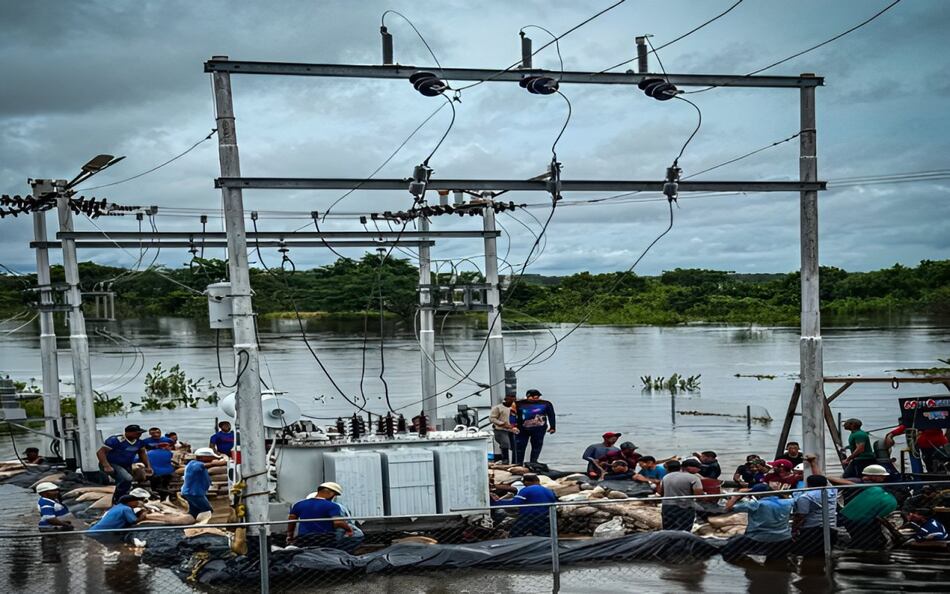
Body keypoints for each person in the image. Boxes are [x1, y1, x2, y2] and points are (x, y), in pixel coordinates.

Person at [722, 483, 794, 564]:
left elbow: (727, 508)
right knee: (776, 559)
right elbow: (789, 499)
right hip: (784, 537)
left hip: (758, 538)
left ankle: (747, 563)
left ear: (758, 495)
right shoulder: (787, 502)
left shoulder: (756, 504)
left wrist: (737, 496)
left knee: (728, 549)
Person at [839, 464, 898, 548]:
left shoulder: (874, 487)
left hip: (852, 514)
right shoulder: (859, 482)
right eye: (881, 476)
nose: (883, 478)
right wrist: (852, 484)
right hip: (856, 517)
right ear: (872, 476)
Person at [97, 424, 152, 504]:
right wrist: (106, 466)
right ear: (128, 433)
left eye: (140, 433)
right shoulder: (116, 440)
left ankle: (123, 498)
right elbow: (100, 452)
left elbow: (142, 453)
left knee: (127, 483)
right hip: (112, 463)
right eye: (137, 433)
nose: (139, 435)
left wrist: (148, 466)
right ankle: (117, 500)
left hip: (126, 465)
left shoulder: (139, 442)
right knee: (126, 478)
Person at [287, 482, 353, 547]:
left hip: (304, 538)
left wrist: (290, 535)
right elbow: (338, 522)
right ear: (331, 493)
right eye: (334, 495)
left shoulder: (299, 504)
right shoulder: (332, 506)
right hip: (324, 538)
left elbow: (291, 521)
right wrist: (348, 529)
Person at [792, 474, 837, 555]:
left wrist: (794, 530)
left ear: (808, 484)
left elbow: (801, 516)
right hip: (831, 527)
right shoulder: (832, 491)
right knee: (826, 553)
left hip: (813, 530)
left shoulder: (806, 497)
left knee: (809, 555)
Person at [657, 460, 704, 531]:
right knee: (684, 529)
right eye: (697, 467)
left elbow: (661, 492)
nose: (699, 469)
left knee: (668, 528)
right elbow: (699, 495)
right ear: (688, 468)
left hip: (667, 506)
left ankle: (669, 541)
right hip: (685, 507)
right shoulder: (694, 478)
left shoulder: (666, 477)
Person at [514, 389, 556, 465]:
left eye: (537, 397)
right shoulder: (518, 404)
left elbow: (551, 415)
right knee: (520, 446)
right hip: (522, 429)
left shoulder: (546, 404)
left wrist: (552, 427)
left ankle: (533, 461)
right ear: (528, 396)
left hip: (539, 429)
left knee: (537, 445)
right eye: (534, 397)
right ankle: (519, 462)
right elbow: (512, 415)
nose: (536, 399)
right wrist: (513, 426)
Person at [180, 447, 225, 517]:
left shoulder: (198, 464)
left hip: (195, 492)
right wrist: (215, 463)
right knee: (207, 510)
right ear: (203, 457)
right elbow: (203, 466)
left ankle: (190, 522)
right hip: (193, 493)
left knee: (194, 511)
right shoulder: (193, 464)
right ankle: (204, 524)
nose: (213, 458)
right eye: (211, 457)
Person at [489, 393, 519, 464]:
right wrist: (502, 423)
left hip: (512, 430)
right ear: (506, 399)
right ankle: (505, 460)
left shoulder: (515, 408)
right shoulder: (498, 408)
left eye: (514, 399)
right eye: (511, 399)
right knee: (505, 443)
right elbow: (492, 418)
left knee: (514, 446)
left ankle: (515, 461)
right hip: (501, 430)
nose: (513, 401)